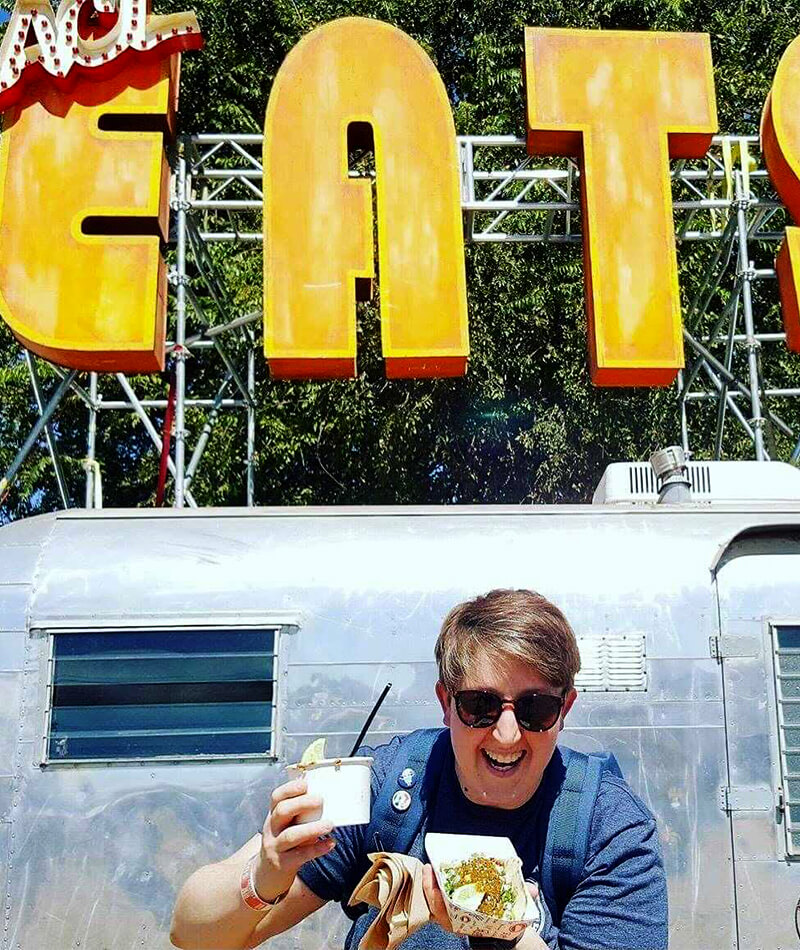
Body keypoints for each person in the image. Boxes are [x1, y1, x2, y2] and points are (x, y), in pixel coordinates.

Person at [170, 589, 668, 950]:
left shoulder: (611, 831)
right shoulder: (384, 786)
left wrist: (497, 930)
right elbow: (194, 935)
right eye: (480, 705)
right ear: (445, 703)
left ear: (566, 710)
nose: (507, 734)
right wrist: (265, 874)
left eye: (536, 708)